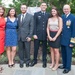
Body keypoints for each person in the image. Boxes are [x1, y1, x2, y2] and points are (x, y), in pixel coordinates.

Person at [30, 2, 50, 68]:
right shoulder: (36, 14)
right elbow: (34, 25)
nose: (44, 6)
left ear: (46, 7)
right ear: (40, 6)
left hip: (45, 35)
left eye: (45, 5)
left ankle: (44, 61)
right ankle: (34, 60)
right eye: (42, 5)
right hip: (37, 35)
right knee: (36, 48)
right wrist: (34, 34)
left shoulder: (48, 15)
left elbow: (49, 25)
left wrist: (48, 35)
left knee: (44, 49)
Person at [59, 4, 75, 74]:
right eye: (64, 9)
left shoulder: (73, 17)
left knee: (68, 54)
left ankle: (68, 67)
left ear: (70, 9)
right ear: (63, 10)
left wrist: (72, 42)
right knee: (63, 53)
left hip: (69, 40)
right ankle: (64, 65)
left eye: (67, 9)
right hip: (62, 39)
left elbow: (74, 30)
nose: (66, 10)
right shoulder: (62, 17)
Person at [17, 4, 34, 68]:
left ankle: (27, 62)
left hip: (27, 37)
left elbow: (31, 27)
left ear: (26, 9)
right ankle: (21, 62)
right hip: (20, 36)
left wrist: (30, 36)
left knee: (27, 50)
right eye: (22, 8)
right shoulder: (18, 16)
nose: (23, 9)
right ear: (20, 9)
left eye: (24, 8)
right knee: (20, 50)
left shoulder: (30, 16)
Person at [0, 5, 6, 72]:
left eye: (2, 10)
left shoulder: (3, 18)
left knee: (0, 52)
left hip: (2, 36)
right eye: (0, 9)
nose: (1, 11)